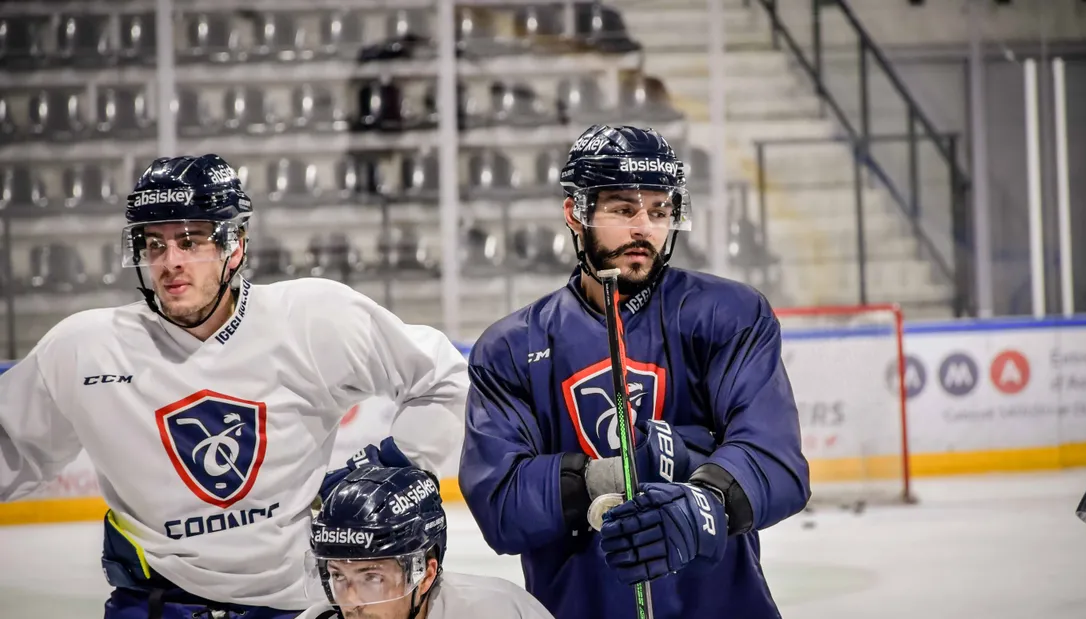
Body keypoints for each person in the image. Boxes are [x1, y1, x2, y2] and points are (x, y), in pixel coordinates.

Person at [0, 154, 469, 618]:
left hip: (298, 608)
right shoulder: (85, 348)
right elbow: (10, 448)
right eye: (155, 244)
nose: (170, 262)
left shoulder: (313, 319)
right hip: (155, 605)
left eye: (191, 241)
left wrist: (394, 465)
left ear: (236, 246)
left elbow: (445, 375)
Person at [458, 125, 811, 618]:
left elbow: (777, 462)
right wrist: (616, 474)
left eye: (660, 211)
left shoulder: (729, 315)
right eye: (623, 209)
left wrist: (699, 508)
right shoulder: (512, 348)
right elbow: (500, 506)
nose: (643, 227)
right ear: (575, 213)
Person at [298, 466, 555, 619]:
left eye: (372, 578)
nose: (350, 602)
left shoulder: (497, 612)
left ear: (425, 575)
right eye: (338, 576)